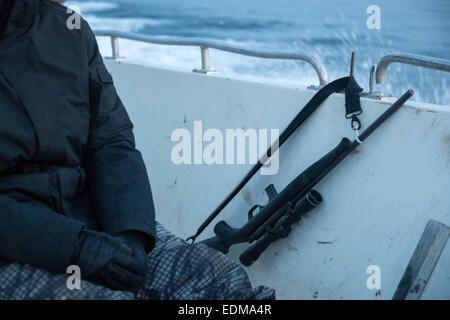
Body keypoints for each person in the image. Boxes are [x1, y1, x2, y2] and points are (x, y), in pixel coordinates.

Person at [0, 0, 275, 300]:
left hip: (90, 223)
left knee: (219, 280)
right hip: (16, 250)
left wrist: (130, 235)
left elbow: (111, 143)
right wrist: (78, 249)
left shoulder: (71, 30)